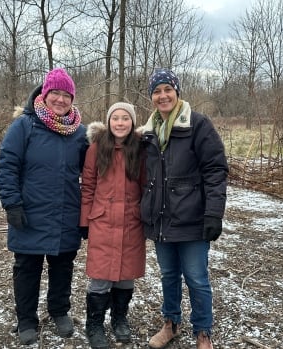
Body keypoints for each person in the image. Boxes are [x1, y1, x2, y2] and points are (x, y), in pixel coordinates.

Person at [0, 68, 88, 346]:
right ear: (44, 94)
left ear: (72, 99)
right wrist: (12, 203)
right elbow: (7, 166)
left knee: (63, 266)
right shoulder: (24, 126)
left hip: (66, 212)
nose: (61, 99)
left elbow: (96, 169)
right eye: (55, 93)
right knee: (27, 267)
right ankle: (26, 319)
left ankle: (59, 311)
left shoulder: (79, 132)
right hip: (30, 213)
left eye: (66, 95)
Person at [138, 68, 228, 349]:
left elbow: (215, 171)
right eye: (156, 91)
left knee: (197, 278)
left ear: (177, 92)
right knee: (168, 276)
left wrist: (214, 213)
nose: (162, 95)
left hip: (192, 220)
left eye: (167, 89)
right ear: (151, 97)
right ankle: (171, 323)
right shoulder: (149, 132)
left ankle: (203, 331)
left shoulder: (198, 125)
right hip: (162, 220)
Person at [79, 102, 146, 349]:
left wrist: (146, 216)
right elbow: (87, 186)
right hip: (103, 222)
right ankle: (94, 324)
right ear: (108, 122)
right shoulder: (96, 148)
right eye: (115, 118)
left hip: (131, 222)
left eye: (125, 118)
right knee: (101, 277)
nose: (120, 123)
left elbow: (145, 185)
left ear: (132, 122)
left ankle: (119, 319)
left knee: (126, 277)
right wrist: (85, 221)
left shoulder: (140, 149)